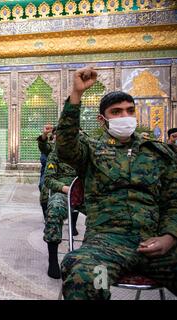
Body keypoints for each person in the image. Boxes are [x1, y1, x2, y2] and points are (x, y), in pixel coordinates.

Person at [56, 66, 177, 299]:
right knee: (88, 277)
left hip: (159, 247)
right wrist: (76, 95)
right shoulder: (91, 151)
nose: (125, 116)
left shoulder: (159, 153)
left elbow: (173, 200)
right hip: (106, 249)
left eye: (129, 111)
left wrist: (170, 237)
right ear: (103, 120)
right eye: (117, 112)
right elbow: (65, 145)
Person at [43, 148, 79, 279]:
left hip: (87, 192)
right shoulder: (55, 154)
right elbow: (48, 179)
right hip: (64, 191)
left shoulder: (88, 150)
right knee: (54, 209)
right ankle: (53, 260)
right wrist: (65, 189)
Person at [37, 124, 56, 221]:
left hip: (67, 174)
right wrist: (44, 134)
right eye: (55, 134)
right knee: (43, 187)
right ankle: (47, 217)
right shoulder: (51, 146)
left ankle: (72, 224)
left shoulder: (70, 145)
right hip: (49, 172)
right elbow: (43, 146)